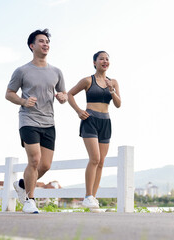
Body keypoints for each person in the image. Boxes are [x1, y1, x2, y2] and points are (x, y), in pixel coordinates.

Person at [5, 29, 67, 213]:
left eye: (47, 41)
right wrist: (24, 101)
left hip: (49, 121)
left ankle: (23, 184)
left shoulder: (57, 71)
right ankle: (29, 200)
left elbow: (63, 93)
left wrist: (63, 97)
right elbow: (9, 93)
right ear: (32, 46)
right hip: (28, 119)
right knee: (34, 159)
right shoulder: (22, 71)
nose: (45, 44)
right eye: (41, 41)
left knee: (45, 165)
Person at [67, 51, 121, 208]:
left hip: (105, 122)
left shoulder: (114, 82)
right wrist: (78, 110)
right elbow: (70, 94)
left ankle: (93, 198)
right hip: (90, 120)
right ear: (94, 62)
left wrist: (112, 90)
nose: (105, 61)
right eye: (101, 59)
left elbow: (118, 104)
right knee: (95, 158)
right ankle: (88, 195)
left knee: (101, 162)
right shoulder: (87, 81)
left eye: (107, 59)